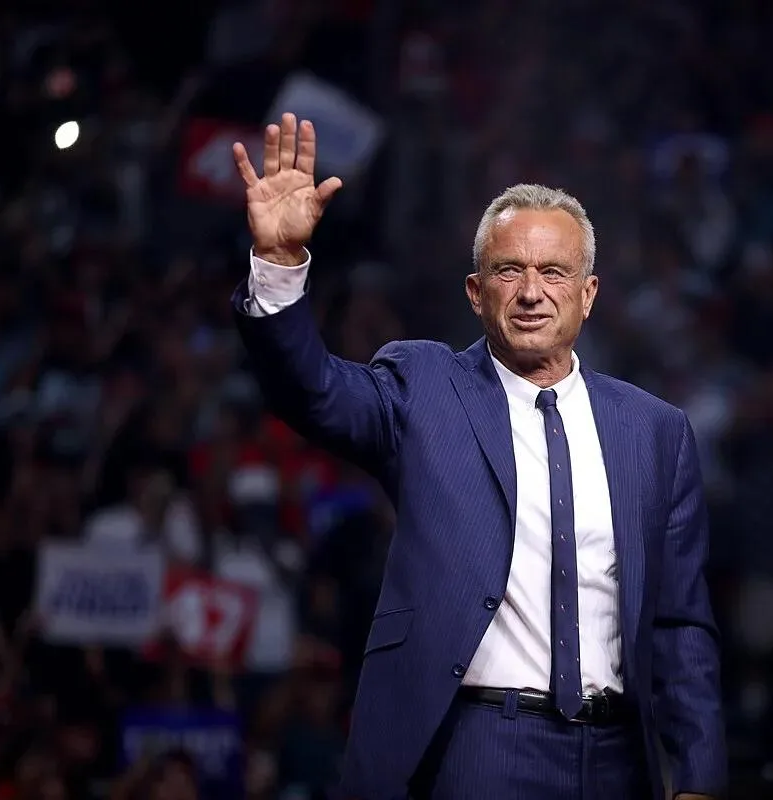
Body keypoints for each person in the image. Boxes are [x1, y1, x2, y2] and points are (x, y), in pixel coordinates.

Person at [229, 113, 726, 799]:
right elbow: (311, 391)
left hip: (617, 757)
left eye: (554, 272)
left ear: (588, 295)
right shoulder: (424, 387)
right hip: (476, 745)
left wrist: (699, 776)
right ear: (475, 292)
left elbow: (679, 622)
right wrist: (281, 264)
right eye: (508, 271)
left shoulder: (656, 430)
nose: (531, 292)